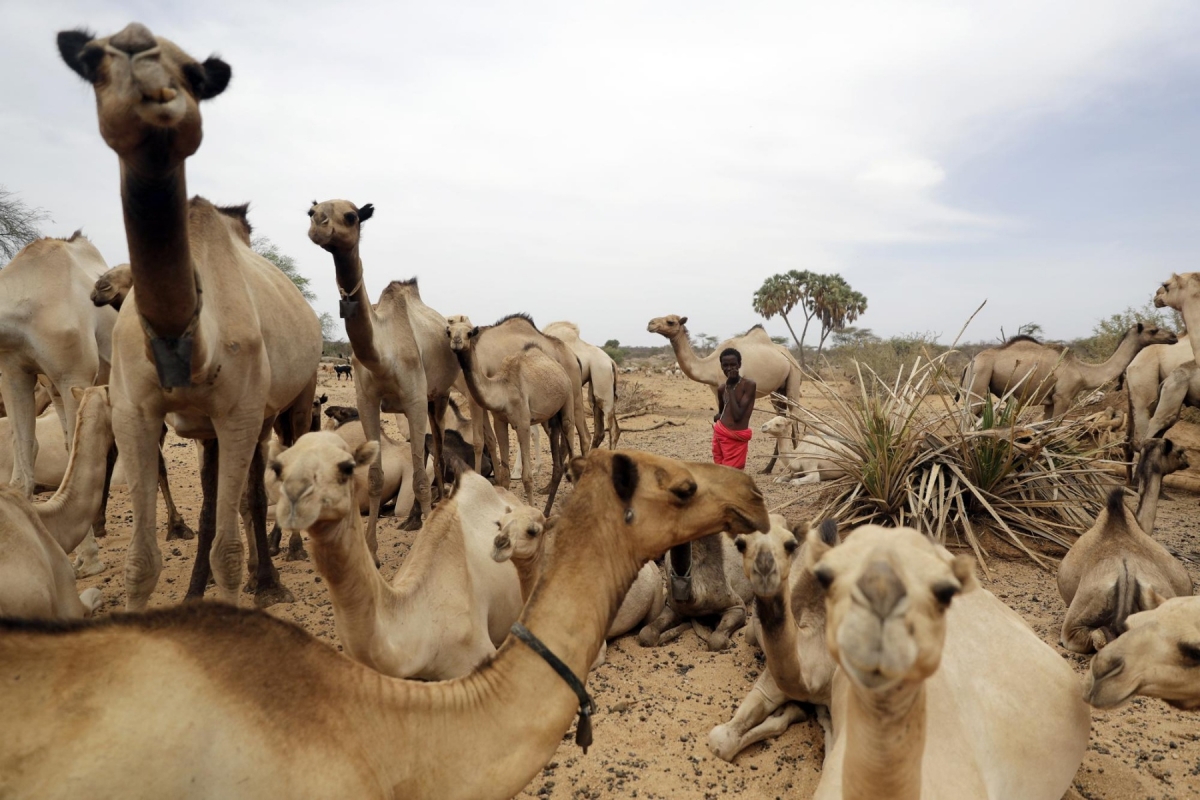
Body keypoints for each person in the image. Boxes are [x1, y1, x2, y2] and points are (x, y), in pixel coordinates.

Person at [712, 347, 756, 470]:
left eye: (733, 364)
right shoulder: (721, 389)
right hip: (720, 435)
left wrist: (731, 387)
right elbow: (722, 411)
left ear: (739, 364)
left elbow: (737, 416)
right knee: (719, 471)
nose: (729, 368)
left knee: (732, 473)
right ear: (721, 366)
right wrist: (718, 418)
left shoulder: (748, 385)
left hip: (735, 438)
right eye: (725, 365)